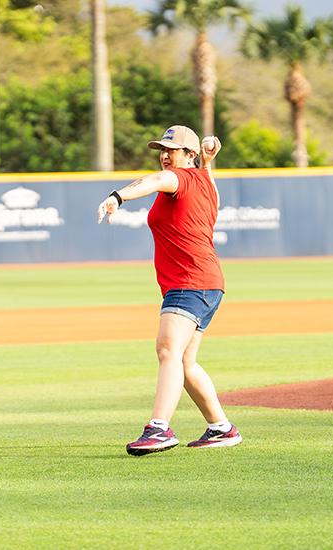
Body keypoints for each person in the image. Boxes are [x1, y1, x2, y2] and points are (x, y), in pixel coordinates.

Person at [97, 125, 242, 456]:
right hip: (206, 282)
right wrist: (206, 163)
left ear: (188, 154)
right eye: (162, 149)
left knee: (167, 350)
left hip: (189, 281)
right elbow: (204, 180)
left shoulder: (178, 179)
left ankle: (158, 428)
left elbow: (155, 182)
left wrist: (117, 195)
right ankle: (221, 428)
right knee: (185, 360)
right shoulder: (204, 181)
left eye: (172, 149)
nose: (164, 155)